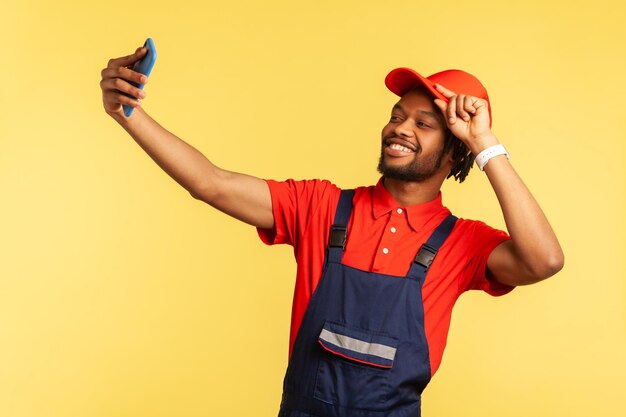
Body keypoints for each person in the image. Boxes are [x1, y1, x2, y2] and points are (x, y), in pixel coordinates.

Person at [100, 46, 564, 417]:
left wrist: (485, 144)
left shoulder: (462, 244)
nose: (399, 129)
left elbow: (544, 260)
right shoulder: (321, 206)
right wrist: (126, 111)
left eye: (423, 124)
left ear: (455, 154)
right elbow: (211, 183)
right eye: (397, 115)